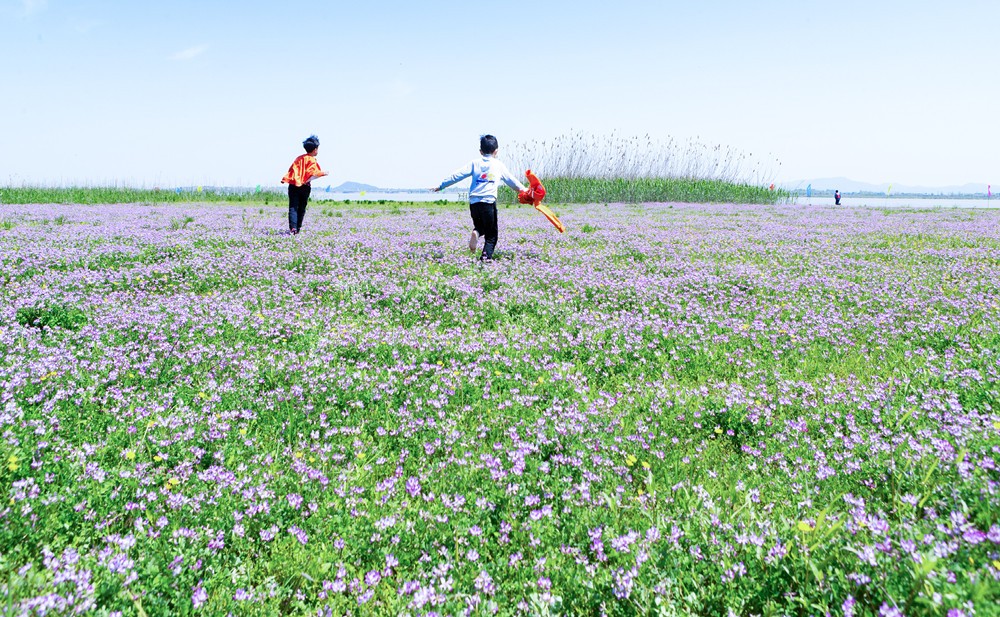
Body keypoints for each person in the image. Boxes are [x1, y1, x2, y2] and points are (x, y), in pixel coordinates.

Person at [432, 135, 527, 261]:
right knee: (492, 235)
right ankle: (485, 260)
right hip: (488, 202)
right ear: (496, 151)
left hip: (474, 202)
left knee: (480, 227)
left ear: (481, 151)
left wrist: (441, 186)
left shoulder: (474, 163)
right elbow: (512, 181)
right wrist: (525, 190)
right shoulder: (498, 165)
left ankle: (476, 233)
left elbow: (457, 175)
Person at [281, 135, 328, 234]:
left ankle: (293, 228)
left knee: (293, 207)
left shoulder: (298, 158)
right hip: (305, 187)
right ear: (315, 149)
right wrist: (323, 173)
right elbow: (312, 174)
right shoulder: (311, 160)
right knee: (301, 208)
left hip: (293, 185)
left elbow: (292, 171)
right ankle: (297, 229)